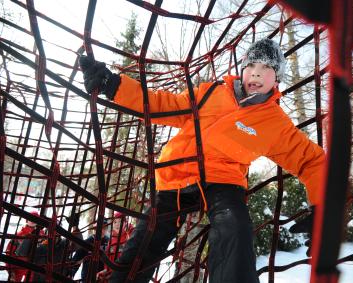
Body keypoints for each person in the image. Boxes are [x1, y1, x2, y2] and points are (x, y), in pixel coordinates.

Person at [79, 38, 325, 283]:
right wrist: (114, 85)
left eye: (266, 69)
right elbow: (166, 104)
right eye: (251, 66)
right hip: (176, 173)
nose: (256, 74)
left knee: (235, 226)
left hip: (223, 181)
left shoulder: (275, 123)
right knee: (146, 239)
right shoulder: (212, 93)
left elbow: (312, 161)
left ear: (277, 77)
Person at [5, 211, 44, 281]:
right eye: (31, 218)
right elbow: (9, 252)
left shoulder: (43, 236)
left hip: (35, 270)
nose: (33, 221)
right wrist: (10, 270)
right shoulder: (19, 235)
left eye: (35, 219)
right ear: (27, 220)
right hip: (19, 269)